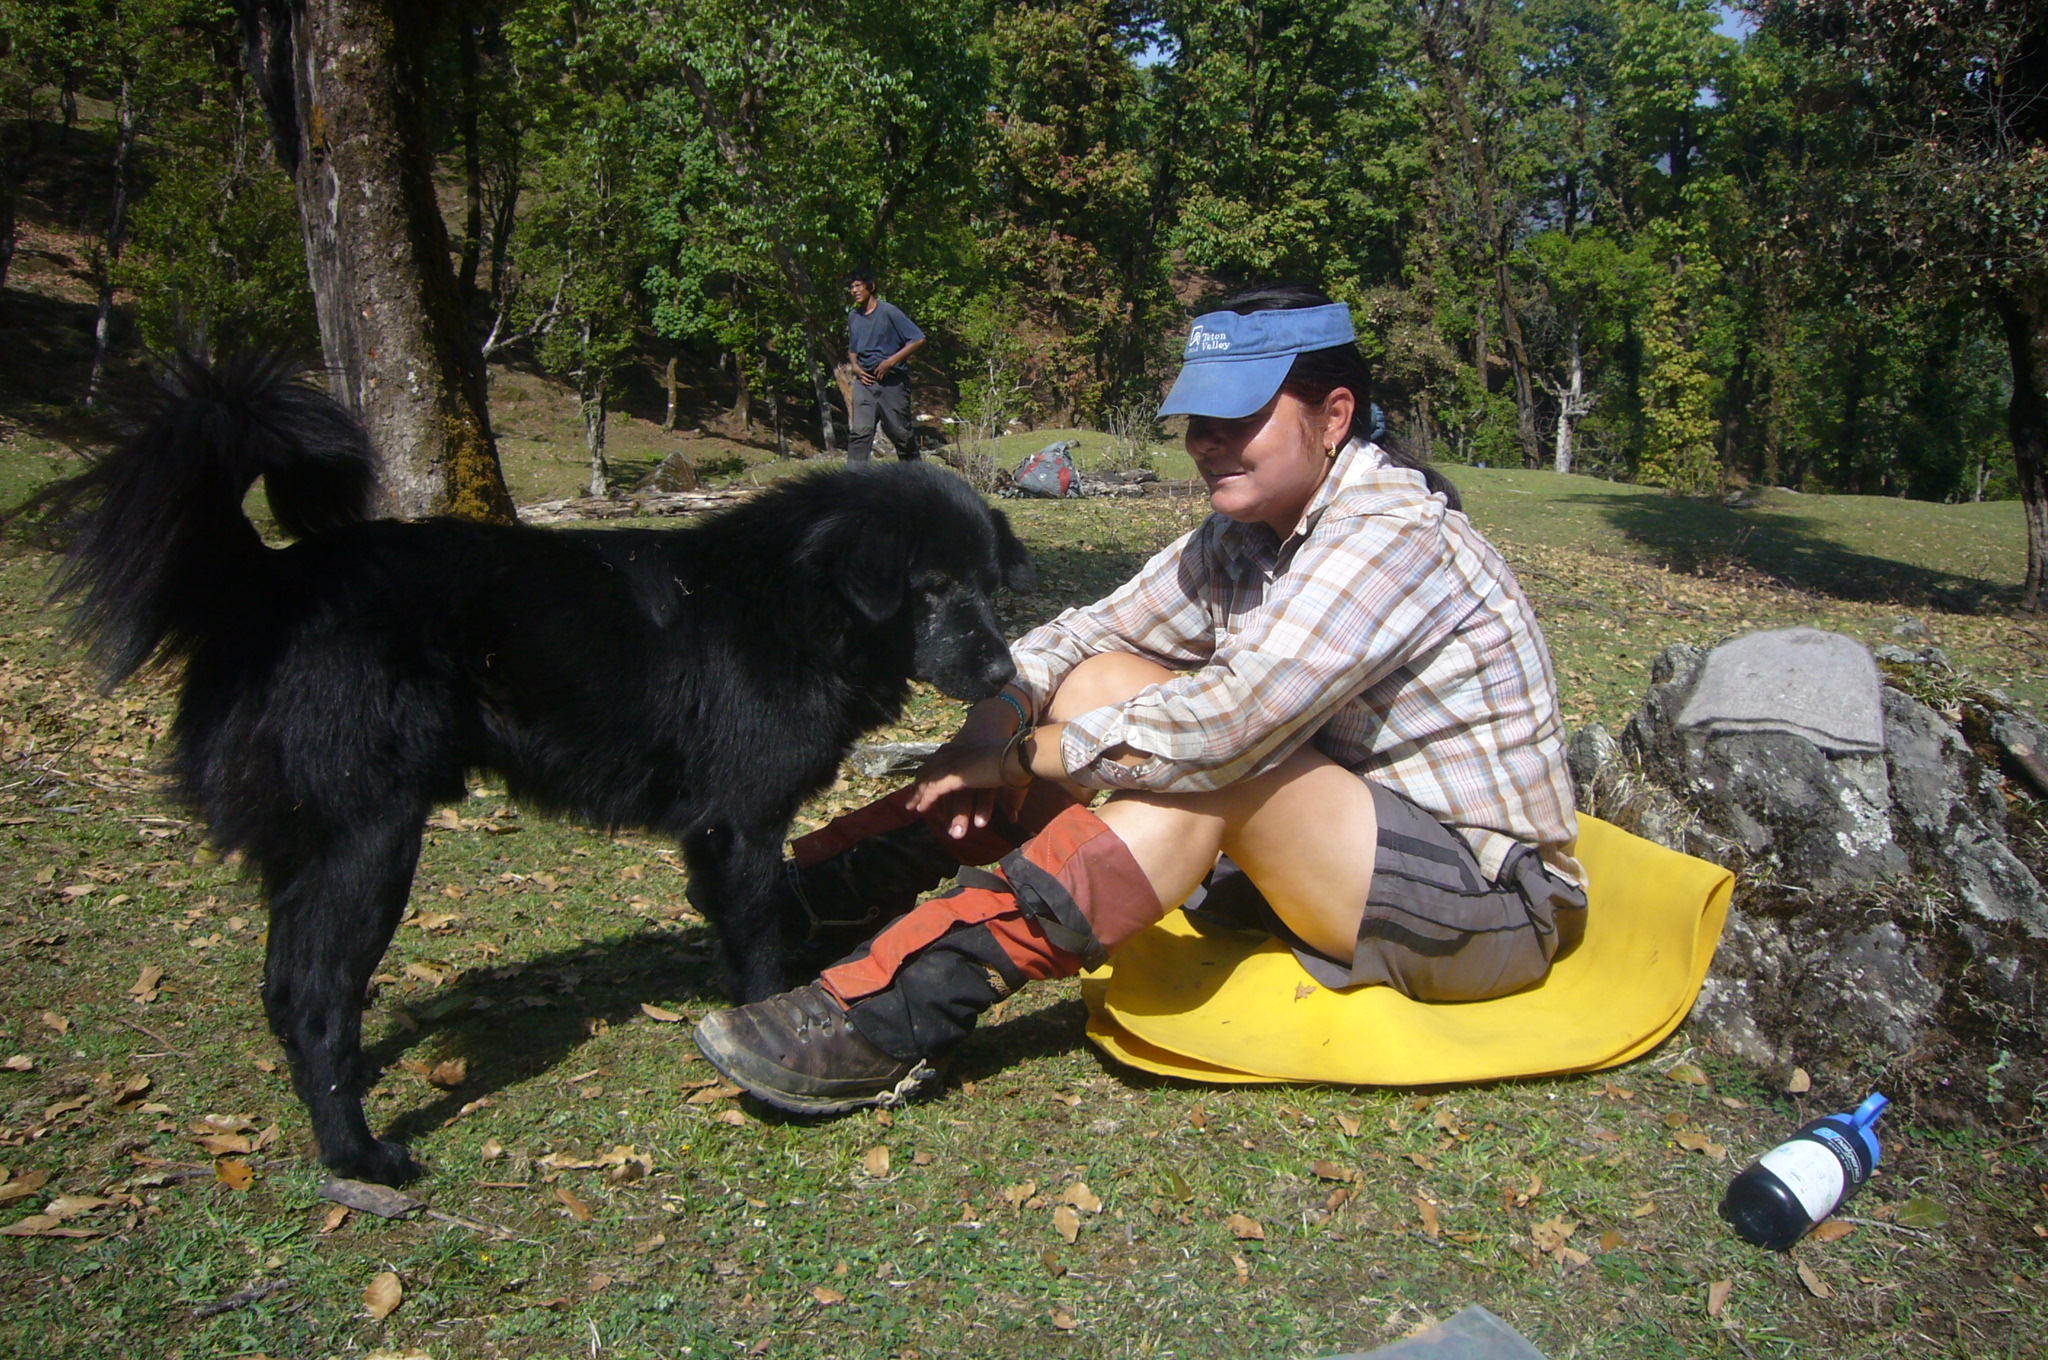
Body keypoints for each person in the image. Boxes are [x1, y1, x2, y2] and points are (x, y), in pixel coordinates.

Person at [695, 284, 1585, 1114]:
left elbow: (1228, 727)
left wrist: (1015, 759)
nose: (1206, 441)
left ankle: (892, 1013)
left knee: (1208, 770)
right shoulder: (1242, 533)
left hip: (1482, 904)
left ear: (1336, 416)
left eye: (1239, 417)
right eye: (1198, 418)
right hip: (1331, 852)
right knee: (1098, 683)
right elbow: (1087, 635)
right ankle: (828, 897)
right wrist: (997, 723)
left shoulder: (1389, 535)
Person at [845, 268, 926, 464]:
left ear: (870, 287)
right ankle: (854, 480)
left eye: (858, 286)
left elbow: (918, 338)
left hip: (892, 383)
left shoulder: (889, 312)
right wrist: (855, 366)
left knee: (900, 433)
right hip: (865, 382)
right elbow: (853, 348)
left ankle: (915, 475)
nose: (854, 291)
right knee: (860, 433)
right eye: (851, 287)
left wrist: (890, 362)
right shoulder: (854, 316)